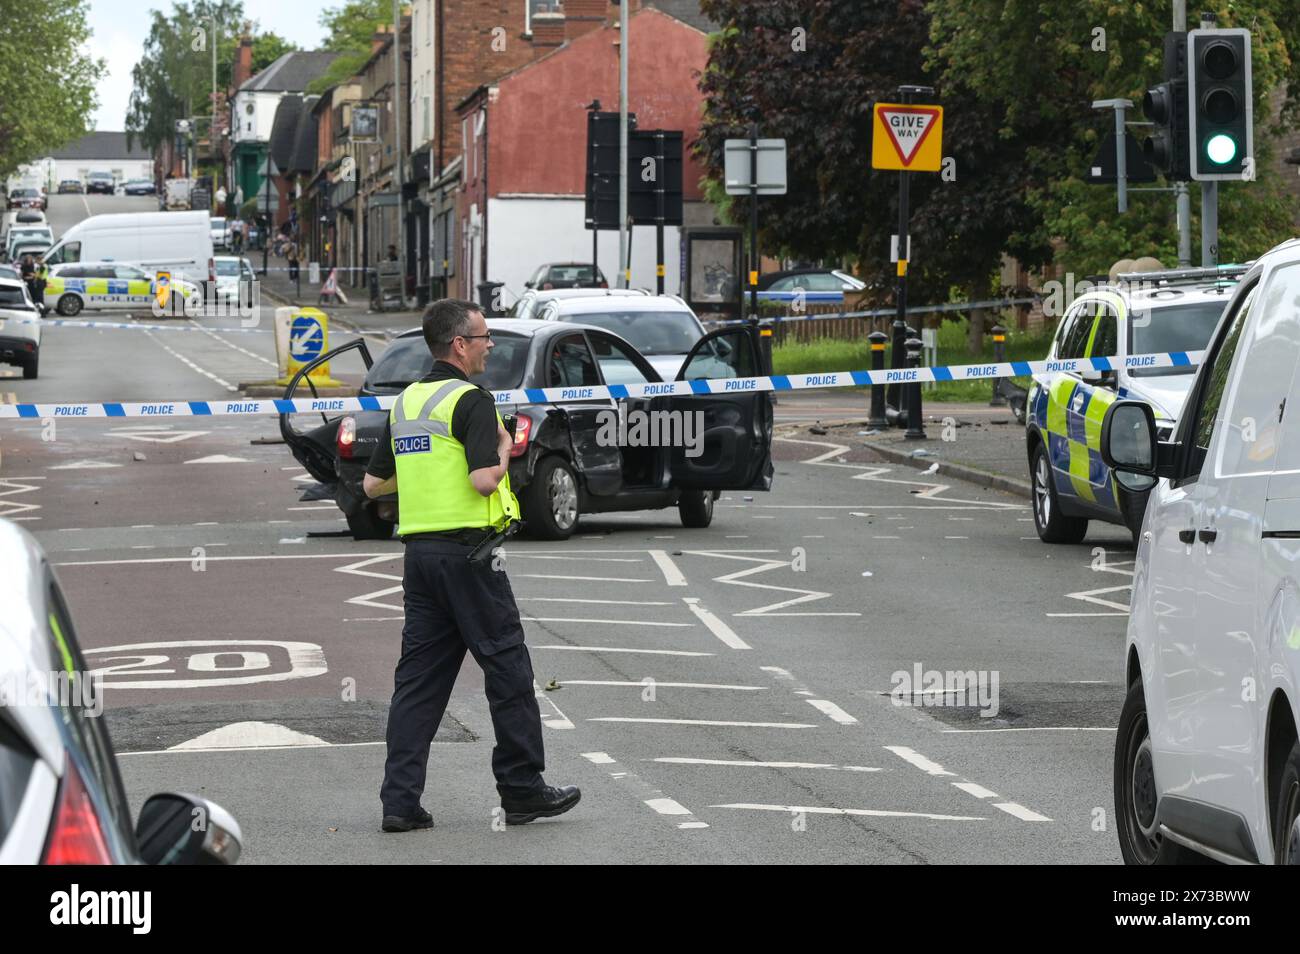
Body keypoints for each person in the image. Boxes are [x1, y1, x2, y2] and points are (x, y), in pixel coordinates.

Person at [364, 298, 580, 832]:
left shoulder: (407, 403)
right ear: (459, 344)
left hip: (421, 560)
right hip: (471, 557)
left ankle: (400, 802)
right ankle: (523, 789)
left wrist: (422, 474)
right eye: (483, 338)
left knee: (418, 684)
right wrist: (505, 446)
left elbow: (373, 485)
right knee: (508, 670)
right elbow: (485, 480)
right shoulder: (471, 401)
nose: (489, 346)